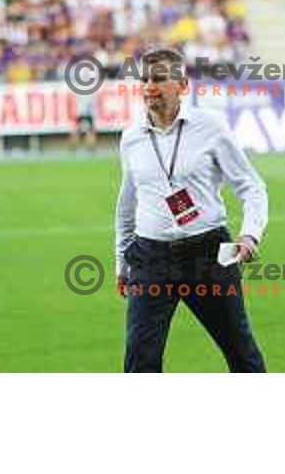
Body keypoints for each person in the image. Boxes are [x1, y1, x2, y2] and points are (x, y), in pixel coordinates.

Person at [115, 46, 268, 372]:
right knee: (140, 360)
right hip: (149, 258)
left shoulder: (211, 127)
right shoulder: (131, 138)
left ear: (182, 86)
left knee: (241, 352)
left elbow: (250, 185)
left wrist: (251, 234)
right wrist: (121, 260)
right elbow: (126, 205)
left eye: (158, 79)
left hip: (208, 253)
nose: (149, 87)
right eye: (144, 79)